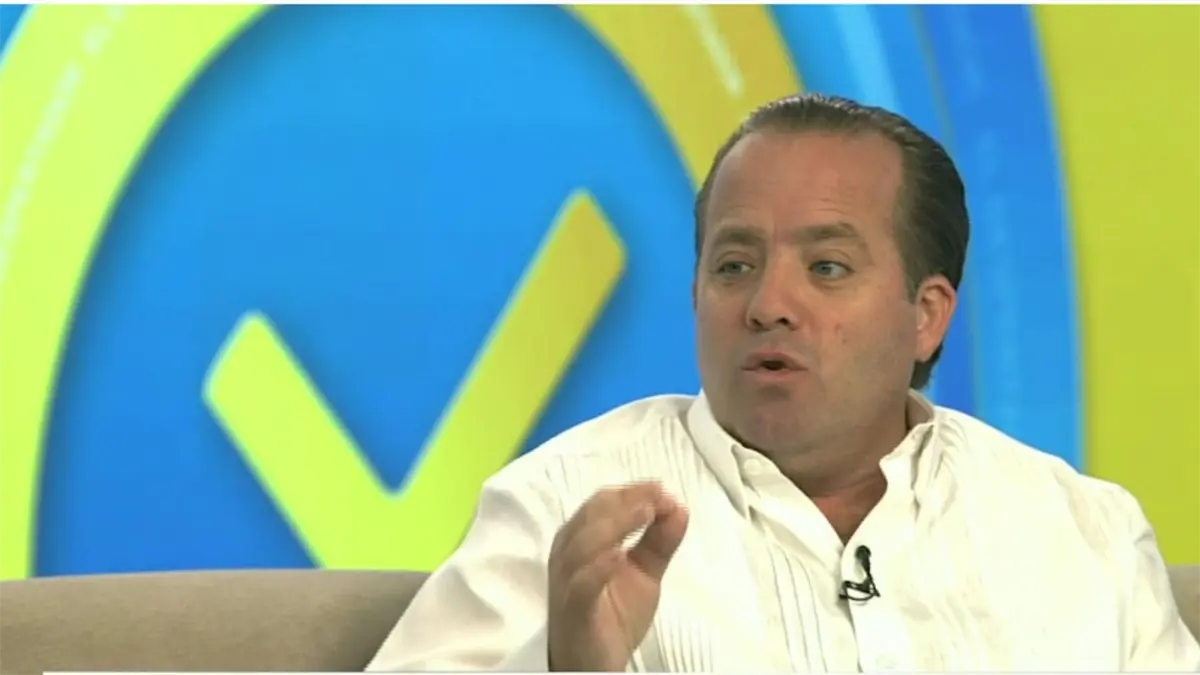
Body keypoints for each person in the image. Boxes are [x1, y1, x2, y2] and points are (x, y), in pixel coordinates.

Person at [366, 94, 1200, 672]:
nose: (768, 304)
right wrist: (563, 667)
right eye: (734, 265)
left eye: (827, 266)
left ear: (927, 314)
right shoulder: (565, 509)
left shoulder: (1081, 533)